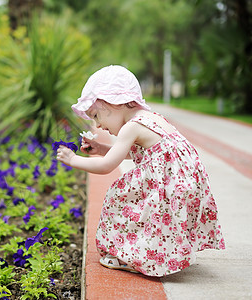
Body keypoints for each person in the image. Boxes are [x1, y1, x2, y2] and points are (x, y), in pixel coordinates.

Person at [56, 65, 225, 276]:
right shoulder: (152, 118)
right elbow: (136, 152)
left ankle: (136, 257)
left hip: (171, 181)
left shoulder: (131, 127)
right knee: (151, 211)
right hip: (186, 180)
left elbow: (107, 165)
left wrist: (73, 160)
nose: (98, 126)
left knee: (121, 198)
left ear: (112, 103)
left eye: (96, 115)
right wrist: (101, 149)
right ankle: (162, 251)